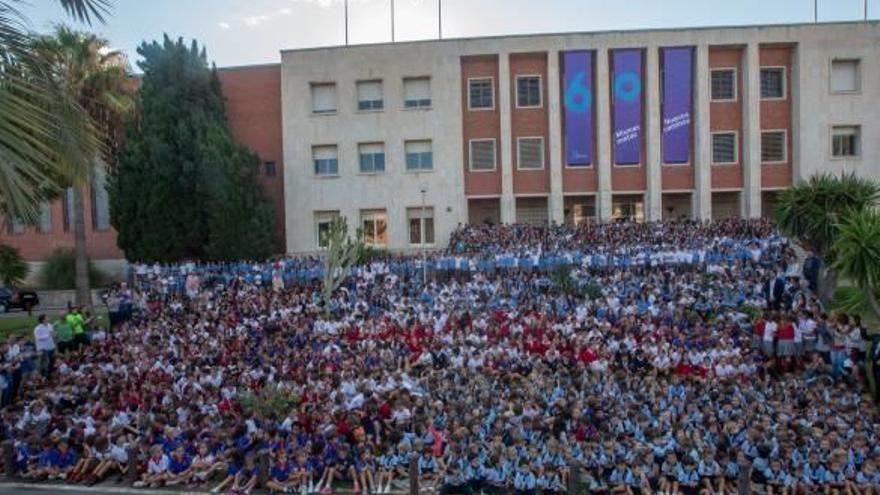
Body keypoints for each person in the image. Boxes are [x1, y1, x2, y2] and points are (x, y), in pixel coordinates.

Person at [32, 315, 54, 379]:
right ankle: (43, 376)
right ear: (43, 320)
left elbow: (52, 335)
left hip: (51, 347)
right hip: (43, 349)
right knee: (45, 364)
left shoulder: (50, 325)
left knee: (51, 362)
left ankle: (49, 376)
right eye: (46, 318)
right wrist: (48, 335)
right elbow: (38, 337)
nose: (48, 319)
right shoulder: (37, 328)